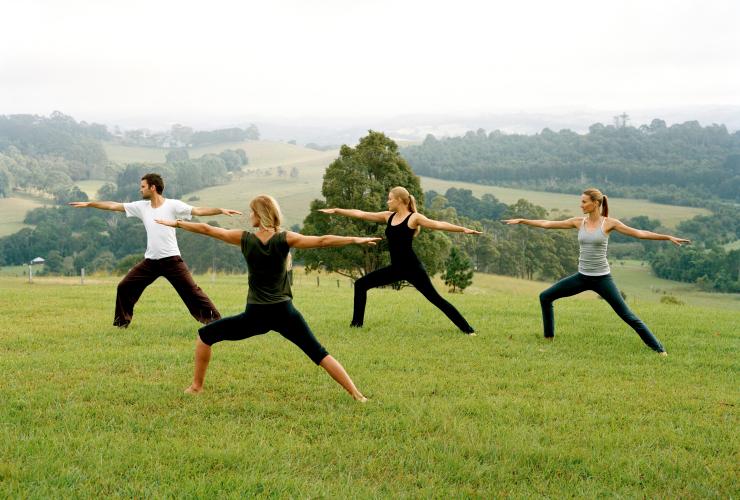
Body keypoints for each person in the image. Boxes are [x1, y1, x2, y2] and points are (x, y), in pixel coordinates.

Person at [156, 194, 376, 401]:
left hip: (256, 315)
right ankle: (358, 396)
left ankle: (196, 387)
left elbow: (208, 229)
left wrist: (177, 224)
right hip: (284, 312)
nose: (249, 216)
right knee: (319, 353)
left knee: (205, 336)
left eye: (251, 212)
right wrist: (356, 239)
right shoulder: (285, 239)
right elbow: (323, 241)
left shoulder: (245, 239)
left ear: (258, 214)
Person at [504, 188, 691, 355]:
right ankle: (549, 340)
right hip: (582, 277)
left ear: (596, 203)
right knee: (545, 297)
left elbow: (640, 233)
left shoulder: (609, 224)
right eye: (581, 201)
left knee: (627, 315)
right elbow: (547, 224)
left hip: (602, 279)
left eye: (584, 202)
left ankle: (659, 349)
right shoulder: (578, 222)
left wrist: (667, 237)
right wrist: (522, 220)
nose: (581, 205)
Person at [70, 173, 241, 328]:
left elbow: (198, 210)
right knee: (124, 287)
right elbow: (114, 206)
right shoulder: (141, 207)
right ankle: (121, 324)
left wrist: (219, 210)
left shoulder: (173, 205)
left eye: (143, 186)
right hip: (150, 262)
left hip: (172, 260)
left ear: (153, 187)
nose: (140, 189)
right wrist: (89, 204)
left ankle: (216, 322)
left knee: (192, 292)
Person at [320, 186, 480, 335]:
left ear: (399, 200)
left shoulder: (413, 218)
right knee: (361, 284)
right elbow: (361, 214)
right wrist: (336, 210)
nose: (387, 201)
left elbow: (437, 224)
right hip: (396, 268)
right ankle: (356, 326)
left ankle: (468, 330)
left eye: (390, 198)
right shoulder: (388, 216)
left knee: (436, 299)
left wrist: (462, 229)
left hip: (413, 269)